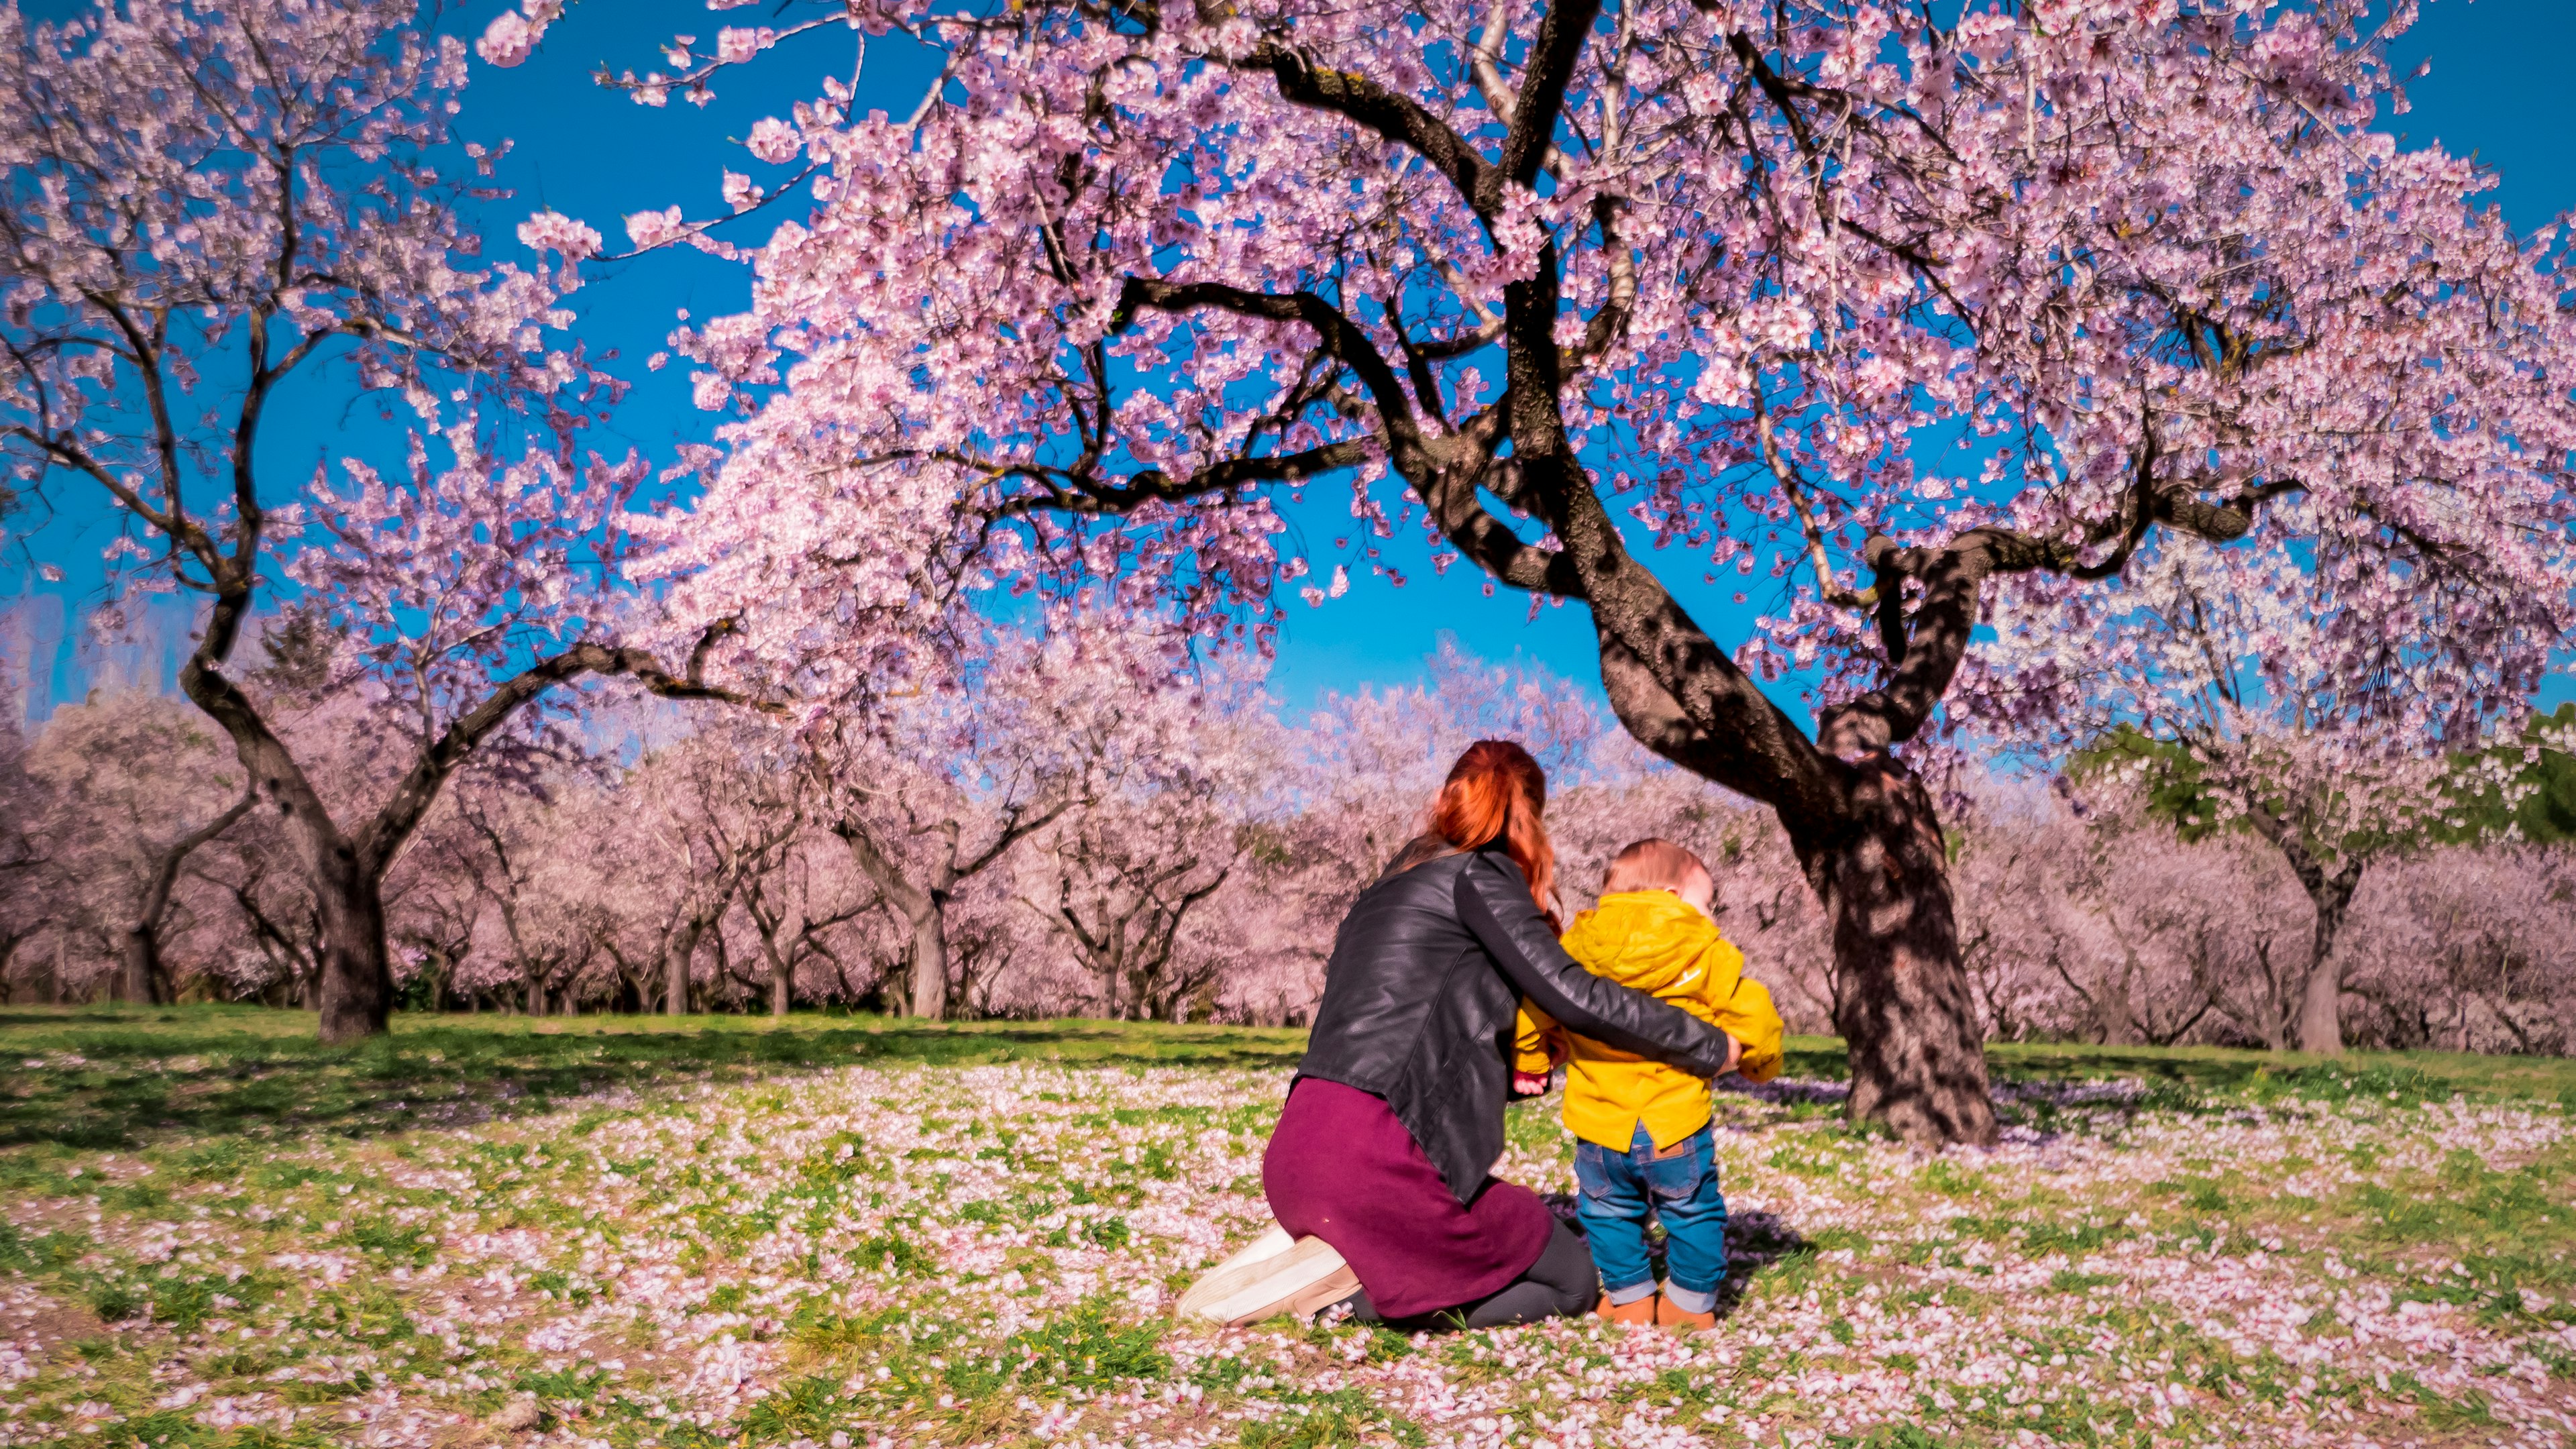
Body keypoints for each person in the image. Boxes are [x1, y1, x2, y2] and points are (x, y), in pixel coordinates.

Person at [1204, 741, 1738, 1330]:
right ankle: (1350, 1303)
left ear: (1445, 799)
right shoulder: (1480, 875)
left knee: (1458, 1234)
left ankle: (1336, 1248)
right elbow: (1574, 995)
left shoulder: (1381, 895)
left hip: (1297, 1153)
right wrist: (1709, 1043)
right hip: (1377, 1157)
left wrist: (1516, 1063)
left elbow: (1416, 1032)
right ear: (1531, 818)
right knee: (1572, 1281)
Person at [1513, 839, 1785, 1330]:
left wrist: (1532, 1059)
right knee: (1692, 1212)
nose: (1710, 915)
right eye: (1705, 903)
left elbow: (1534, 1008)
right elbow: (1754, 1013)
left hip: (1599, 1121)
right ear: (1671, 894)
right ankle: (1688, 1304)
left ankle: (1630, 1299)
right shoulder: (1705, 947)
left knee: (1607, 1213)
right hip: (1673, 1119)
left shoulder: (1578, 944)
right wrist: (1760, 1062)